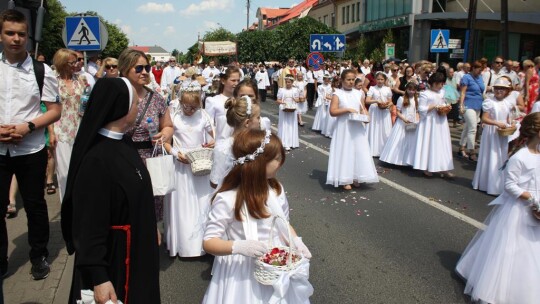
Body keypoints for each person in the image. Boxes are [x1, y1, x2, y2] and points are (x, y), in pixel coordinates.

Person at [61, 77, 160, 304]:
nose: (139, 107)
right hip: (116, 261)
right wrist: (99, 277)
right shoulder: (97, 160)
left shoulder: (124, 142)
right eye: (135, 103)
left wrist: (149, 224)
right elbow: (87, 223)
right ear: (121, 107)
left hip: (137, 247)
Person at [202, 128, 313, 304]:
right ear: (258, 162)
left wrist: (295, 241)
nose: (281, 162)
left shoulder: (276, 190)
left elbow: (284, 224)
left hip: (275, 264)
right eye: (276, 158)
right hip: (241, 271)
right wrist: (238, 246)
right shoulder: (228, 198)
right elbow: (209, 242)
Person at [0, 9, 61, 280]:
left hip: (31, 149)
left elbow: (54, 110)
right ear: (1, 35)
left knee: (35, 205)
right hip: (0, 150)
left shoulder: (41, 70)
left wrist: (28, 127)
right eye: (10, 33)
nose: (16, 39)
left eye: (21, 34)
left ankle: (39, 255)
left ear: (27, 36)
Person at [456, 112, 540, 304]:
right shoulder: (520, 157)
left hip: (535, 204)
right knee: (512, 249)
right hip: (518, 209)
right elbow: (510, 186)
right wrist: (533, 198)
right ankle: (503, 289)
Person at [120, 49, 173, 222]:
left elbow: (168, 125)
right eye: (138, 68)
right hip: (125, 157)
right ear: (125, 69)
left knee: (151, 209)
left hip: (151, 159)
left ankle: (151, 243)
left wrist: (164, 134)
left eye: (147, 68)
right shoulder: (116, 96)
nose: (144, 72)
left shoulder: (156, 98)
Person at [163, 87, 214, 257]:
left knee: (202, 202)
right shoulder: (175, 116)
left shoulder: (204, 116)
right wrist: (176, 154)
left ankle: (203, 243)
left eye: (194, 107)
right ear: (181, 103)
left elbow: (214, 137)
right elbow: (166, 142)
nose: (190, 110)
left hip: (200, 162)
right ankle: (184, 245)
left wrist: (211, 144)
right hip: (181, 164)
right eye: (186, 106)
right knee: (183, 204)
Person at [326, 69, 378, 190]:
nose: (350, 82)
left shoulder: (358, 93)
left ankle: (356, 176)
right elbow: (333, 112)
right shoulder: (337, 94)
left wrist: (366, 115)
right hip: (343, 127)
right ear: (342, 80)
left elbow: (362, 108)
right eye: (348, 80)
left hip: (357, 126)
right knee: (346, 150)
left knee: (358, 150)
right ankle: (345, 178)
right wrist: (347, 109)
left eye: (352, 79)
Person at [472, 77, 516, 195]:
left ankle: (498, 184)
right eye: (497, 88)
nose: (499, 91)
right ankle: (487, 183)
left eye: (502, 89)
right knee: (491, 155)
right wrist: (497, 123)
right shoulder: (489, 102)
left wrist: (511, 123)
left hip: (502, 132)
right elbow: (484, 118)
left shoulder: (507, 103)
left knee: (501, 156)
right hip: (492, 132)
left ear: (507, 91)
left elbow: (508, 118)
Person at [51, 48, 84, 202]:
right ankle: (67, 208)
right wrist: (50, 132)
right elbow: (47, 108)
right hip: (62, 130)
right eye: (72, 62)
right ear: (62, 63)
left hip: (81, 128)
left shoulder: (81, 79)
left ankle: (82, 208)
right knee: (64, 173)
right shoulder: (53, 81)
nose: (75, 64)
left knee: (81, 172)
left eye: (76, 61)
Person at [210, 96, 261, 189]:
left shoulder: (259, 145)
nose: (260, 121)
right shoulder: (223, 149)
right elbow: (215, 182)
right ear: (247, 123)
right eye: (258, 118)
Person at [412, 72, 454, 178]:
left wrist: (447, 107)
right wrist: (434, 106)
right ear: (433, 83)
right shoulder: (425, 94)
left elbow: (445, 103)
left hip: (441, 121)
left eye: (442, 83)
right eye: (439, 83)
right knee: (429, 143)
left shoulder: (442, 92)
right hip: (429, 122)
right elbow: (421, 109)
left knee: (443, 143)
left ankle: (444, 167)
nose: (441, 86)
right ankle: (427, 167)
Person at [380, 80, 419, 166]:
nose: (412, 91)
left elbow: (416, 111)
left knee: (410, 141)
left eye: (413, 90)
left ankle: (409, 160)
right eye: (410, 89)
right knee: (399, 140)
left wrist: (416, 120)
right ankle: (396, 159)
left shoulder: (416, 99)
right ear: (406, 90)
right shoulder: (401, 99)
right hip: (402, 122)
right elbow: (397, 111)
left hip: (412, 122)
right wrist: (403, 119)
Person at [458, 61, 485, 161]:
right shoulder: (466, 77)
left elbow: (482, 91)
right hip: (468, 104)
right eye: (478, 69)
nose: (480, 71)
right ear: (473, 68)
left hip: (478, 105)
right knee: (473, 128)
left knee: (468, 127)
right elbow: (463, 92)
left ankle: (461, 147)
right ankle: (471, 151)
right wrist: (461, 105)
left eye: (481, 69)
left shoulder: (480, 77)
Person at [206, 66, 241, 141]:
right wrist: (212, 140)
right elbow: (209, 125)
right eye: (233, 80)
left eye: (238, 80)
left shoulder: (241, 100)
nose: (236, 83)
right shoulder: (213, 101)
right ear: (223, 81)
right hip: (221, 144)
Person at [365, 72, 393, 157]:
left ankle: (384, 150)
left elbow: (390, 101)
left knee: (385, 130)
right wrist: (376, 101)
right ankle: (374, 149)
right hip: (375, 111)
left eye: (382, 79)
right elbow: (367, 100)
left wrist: (388, 104)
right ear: (375, 80)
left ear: (385, 80)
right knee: (375, 128)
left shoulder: (388, 89)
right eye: (378, 79)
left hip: (384, 111)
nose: (380, 81)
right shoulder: (372, 88)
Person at [276, 74, 299, 151]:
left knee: (291, 124)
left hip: (292, 108)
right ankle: (284, 142)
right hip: (284, 108)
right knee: (284, 124)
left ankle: (292, 142)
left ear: (292, 82)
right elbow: (278, 100)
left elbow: (297, 100)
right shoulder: (281, 90)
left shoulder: (295, 90)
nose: (288, 83)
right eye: (286, 82)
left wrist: (295, 99)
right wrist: (282, 103)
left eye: (289, 82)